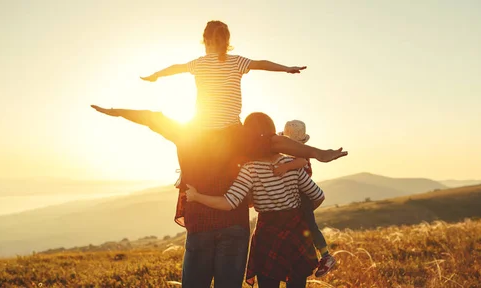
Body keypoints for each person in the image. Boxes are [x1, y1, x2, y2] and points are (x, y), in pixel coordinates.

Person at [91, 105, 345, 288]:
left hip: (212, 225)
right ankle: (322, 255)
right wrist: (317, 155)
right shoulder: (247, 142)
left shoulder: (193, 136)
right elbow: (281, 150)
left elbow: (152, 117)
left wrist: (117, 111)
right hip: (248, 226)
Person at [186, 112, 325, 288]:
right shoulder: (293, 164)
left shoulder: (250, 169)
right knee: (297, 282)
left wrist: (197, 196)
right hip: (296, 232)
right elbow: (318, 196)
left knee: (267, 282)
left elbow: (229, 203)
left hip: (267, 233)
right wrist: (299, 216)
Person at [272, 120, 336, 277]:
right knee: (305, 225)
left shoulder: (300, 154)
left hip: (303, 194)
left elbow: (300, 163)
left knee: (310, 225)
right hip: (296, 192)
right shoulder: (292, 153)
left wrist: (284, 168)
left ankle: (326, 256)